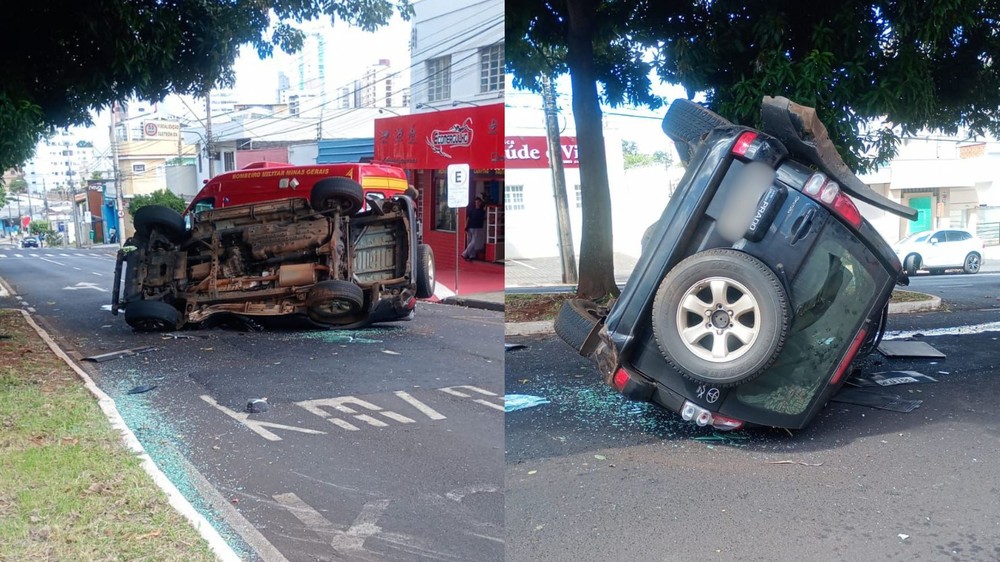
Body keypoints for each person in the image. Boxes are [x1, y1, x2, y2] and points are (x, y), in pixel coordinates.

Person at [462, 196, 486, 261]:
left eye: (478, 202)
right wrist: (466, 226)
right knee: (470, 241)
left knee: (473, 241)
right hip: (470, 227)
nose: (477, 203)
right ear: (475, 203)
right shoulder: (472, 210)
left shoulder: (482, 211)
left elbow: (484, 218)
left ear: (480, 203)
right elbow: (468, 218)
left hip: (477, 227)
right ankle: (471, 255)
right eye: (476, 202)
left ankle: (465, 253)